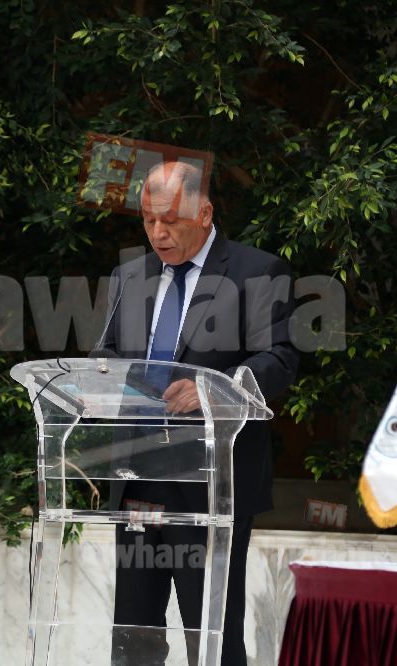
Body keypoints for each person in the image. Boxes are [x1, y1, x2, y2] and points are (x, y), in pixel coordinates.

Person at [93, 161, 299, 665]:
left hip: (212, 482)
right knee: (134, 638)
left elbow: (280, 358)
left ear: (204, 213)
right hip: (138, 481)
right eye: (148, 220)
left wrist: (214, 391)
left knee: (210, 639)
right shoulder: (128, 276)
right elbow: (107, 355)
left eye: (170, 221)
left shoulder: (257, 272)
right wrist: (103, 377)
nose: (157, 233)